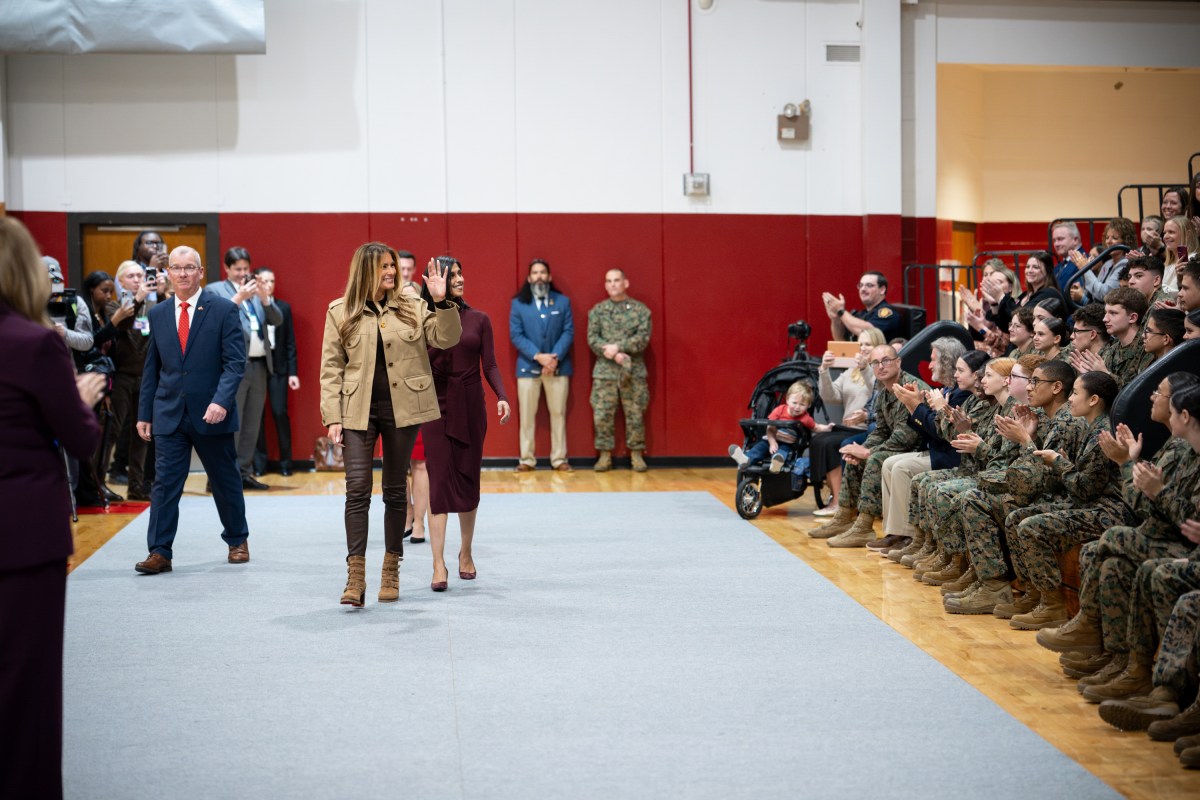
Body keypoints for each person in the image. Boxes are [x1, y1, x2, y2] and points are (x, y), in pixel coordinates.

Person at [0, 217, 104, 800]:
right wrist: (81, 400)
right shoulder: (35, 343)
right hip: (21, 534)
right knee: (25, 680)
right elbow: (82, 441)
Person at [320, 245, 460, 606]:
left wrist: (442, 303)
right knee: (358, 489)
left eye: (393, 266)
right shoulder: (341, 311)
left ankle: (390, 571)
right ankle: (355, 577)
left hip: (403, 408)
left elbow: (446, 338)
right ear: (366, 270)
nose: (391, 272)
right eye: (384, 267)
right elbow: (331, 367)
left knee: (396, 489)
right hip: (356, 410)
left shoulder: (413, 305)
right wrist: (332, 415)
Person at [134, 246, 252, 574]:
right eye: (177, 268)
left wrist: (221, 401)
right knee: (165, 483)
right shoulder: (157, 314)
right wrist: (145, 414)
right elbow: (152, 369)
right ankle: (159, 551)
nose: (183, 274)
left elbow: (234, 363)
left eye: (190, 268)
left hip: (212, 412)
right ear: (168, 273)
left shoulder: (223, 309)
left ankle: (237, 539)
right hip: (169, 412)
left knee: (225, 479)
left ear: (201, 272)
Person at [422, 258, 510, 591]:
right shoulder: (424, 319)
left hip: (472, 406)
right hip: (436, 406)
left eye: (460, 273)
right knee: (439, 482)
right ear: (436, 281)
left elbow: (490, 364)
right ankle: (437, 564)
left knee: (468, 478)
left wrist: (501, 395)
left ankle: (466, 553)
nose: (459, 278)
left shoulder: (480, 319)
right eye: (452, 274)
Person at [809, 344, 930, 548]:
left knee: (873, 459)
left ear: (898, 362)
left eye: (886, 361)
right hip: (899, 447)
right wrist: (861, 449)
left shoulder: (910, 387)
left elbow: (907, 436)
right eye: (875, 363)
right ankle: (844, 516)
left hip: (919, 449)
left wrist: (868, 451)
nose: (881, 366)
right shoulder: (884, 392)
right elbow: (881, 431)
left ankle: (864, 527)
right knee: (855, 456)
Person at [207, 247, 283, 490]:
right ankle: (220, 477)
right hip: (232, 368)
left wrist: (264, 297)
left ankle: (243, 472)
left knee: (252, 424)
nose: (242, 274)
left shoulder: (255, 291)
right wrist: (238, 298)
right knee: (231, 424)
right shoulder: (215, 290)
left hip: (259, 365)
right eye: (237, 269)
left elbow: (277, 320)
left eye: (245, 269)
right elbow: (213, 321)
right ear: (226, 268)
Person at [811, 327, 885, 515]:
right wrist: (824, 370)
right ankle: (835, 497)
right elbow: (830, 396)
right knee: (819, 440)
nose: (862, 348)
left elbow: (876, 390)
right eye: (859, 344)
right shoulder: (850, 371)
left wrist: (865, 368)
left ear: (877, 346)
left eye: (867, 344)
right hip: (847, 426)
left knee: (831, 443)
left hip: (866, 427)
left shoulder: (880, 371)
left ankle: (839, 502)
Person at [510, 258, 575, 472]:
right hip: (528, 368)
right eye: (535, 273)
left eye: (542, 272)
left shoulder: (562, 302)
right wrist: (539, 357)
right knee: (527, 416)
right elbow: (516, 335)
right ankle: (526, 459)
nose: (539, 276)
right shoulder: (518, 304)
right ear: (529, 278)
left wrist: (553, 357)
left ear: (549, 277)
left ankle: (559, 459)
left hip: (558, 367)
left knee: (558, 414)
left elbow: (568, 332)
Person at [587, 269, 652, 472]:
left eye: (617, 280)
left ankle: (636, 455)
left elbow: (642, 338)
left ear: (626, 283)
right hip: (605, 371)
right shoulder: (597, 311)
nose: (613, 284)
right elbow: (593, 338)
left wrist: (619, 347)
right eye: (609, 281)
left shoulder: (641, 310)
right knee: (602, 414)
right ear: (605, 285)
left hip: (632, 370)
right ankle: (605, 456)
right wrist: (613, 354)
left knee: (635, 413)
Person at [252, 267, 300, 477]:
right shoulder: (250, 307)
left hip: (279, 369)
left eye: (272, 281)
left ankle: (286, 463)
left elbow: (290, 342)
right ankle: (259, 465)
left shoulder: (283, 308)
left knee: (279, 413)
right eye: (264, 281)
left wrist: (293, 373)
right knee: (256, 416)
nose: (269, 285)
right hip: (258, 365)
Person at [730, 380, 831, 471]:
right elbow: (770, 427)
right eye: (794, 403)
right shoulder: (780, 410)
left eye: (802, 405)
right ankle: (745, 459)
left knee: (784, 451)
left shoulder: (805, 418)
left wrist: (827, 428)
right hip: (770, 439)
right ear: (787, 400)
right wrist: (772, 442)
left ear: (808, 405)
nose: (797, 407)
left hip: (788, 443)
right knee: (759, 448)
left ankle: (776, 463)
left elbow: (816, 427)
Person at [822, 271, 900, 341]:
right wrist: (836, 319)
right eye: (861, 285)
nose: (863, 289)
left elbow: (869, 334)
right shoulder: (861, 314)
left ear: (882, 289)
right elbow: (839, 339)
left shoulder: (887, 313)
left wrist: (841, 311)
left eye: (869, 285)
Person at [1050, 221, 1086, 296]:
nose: (1056, 244)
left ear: (1075, 240)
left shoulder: (1084, 261)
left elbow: (1075, 295)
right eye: (1054, 240)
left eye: (1060, 239)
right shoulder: (1059, 266)